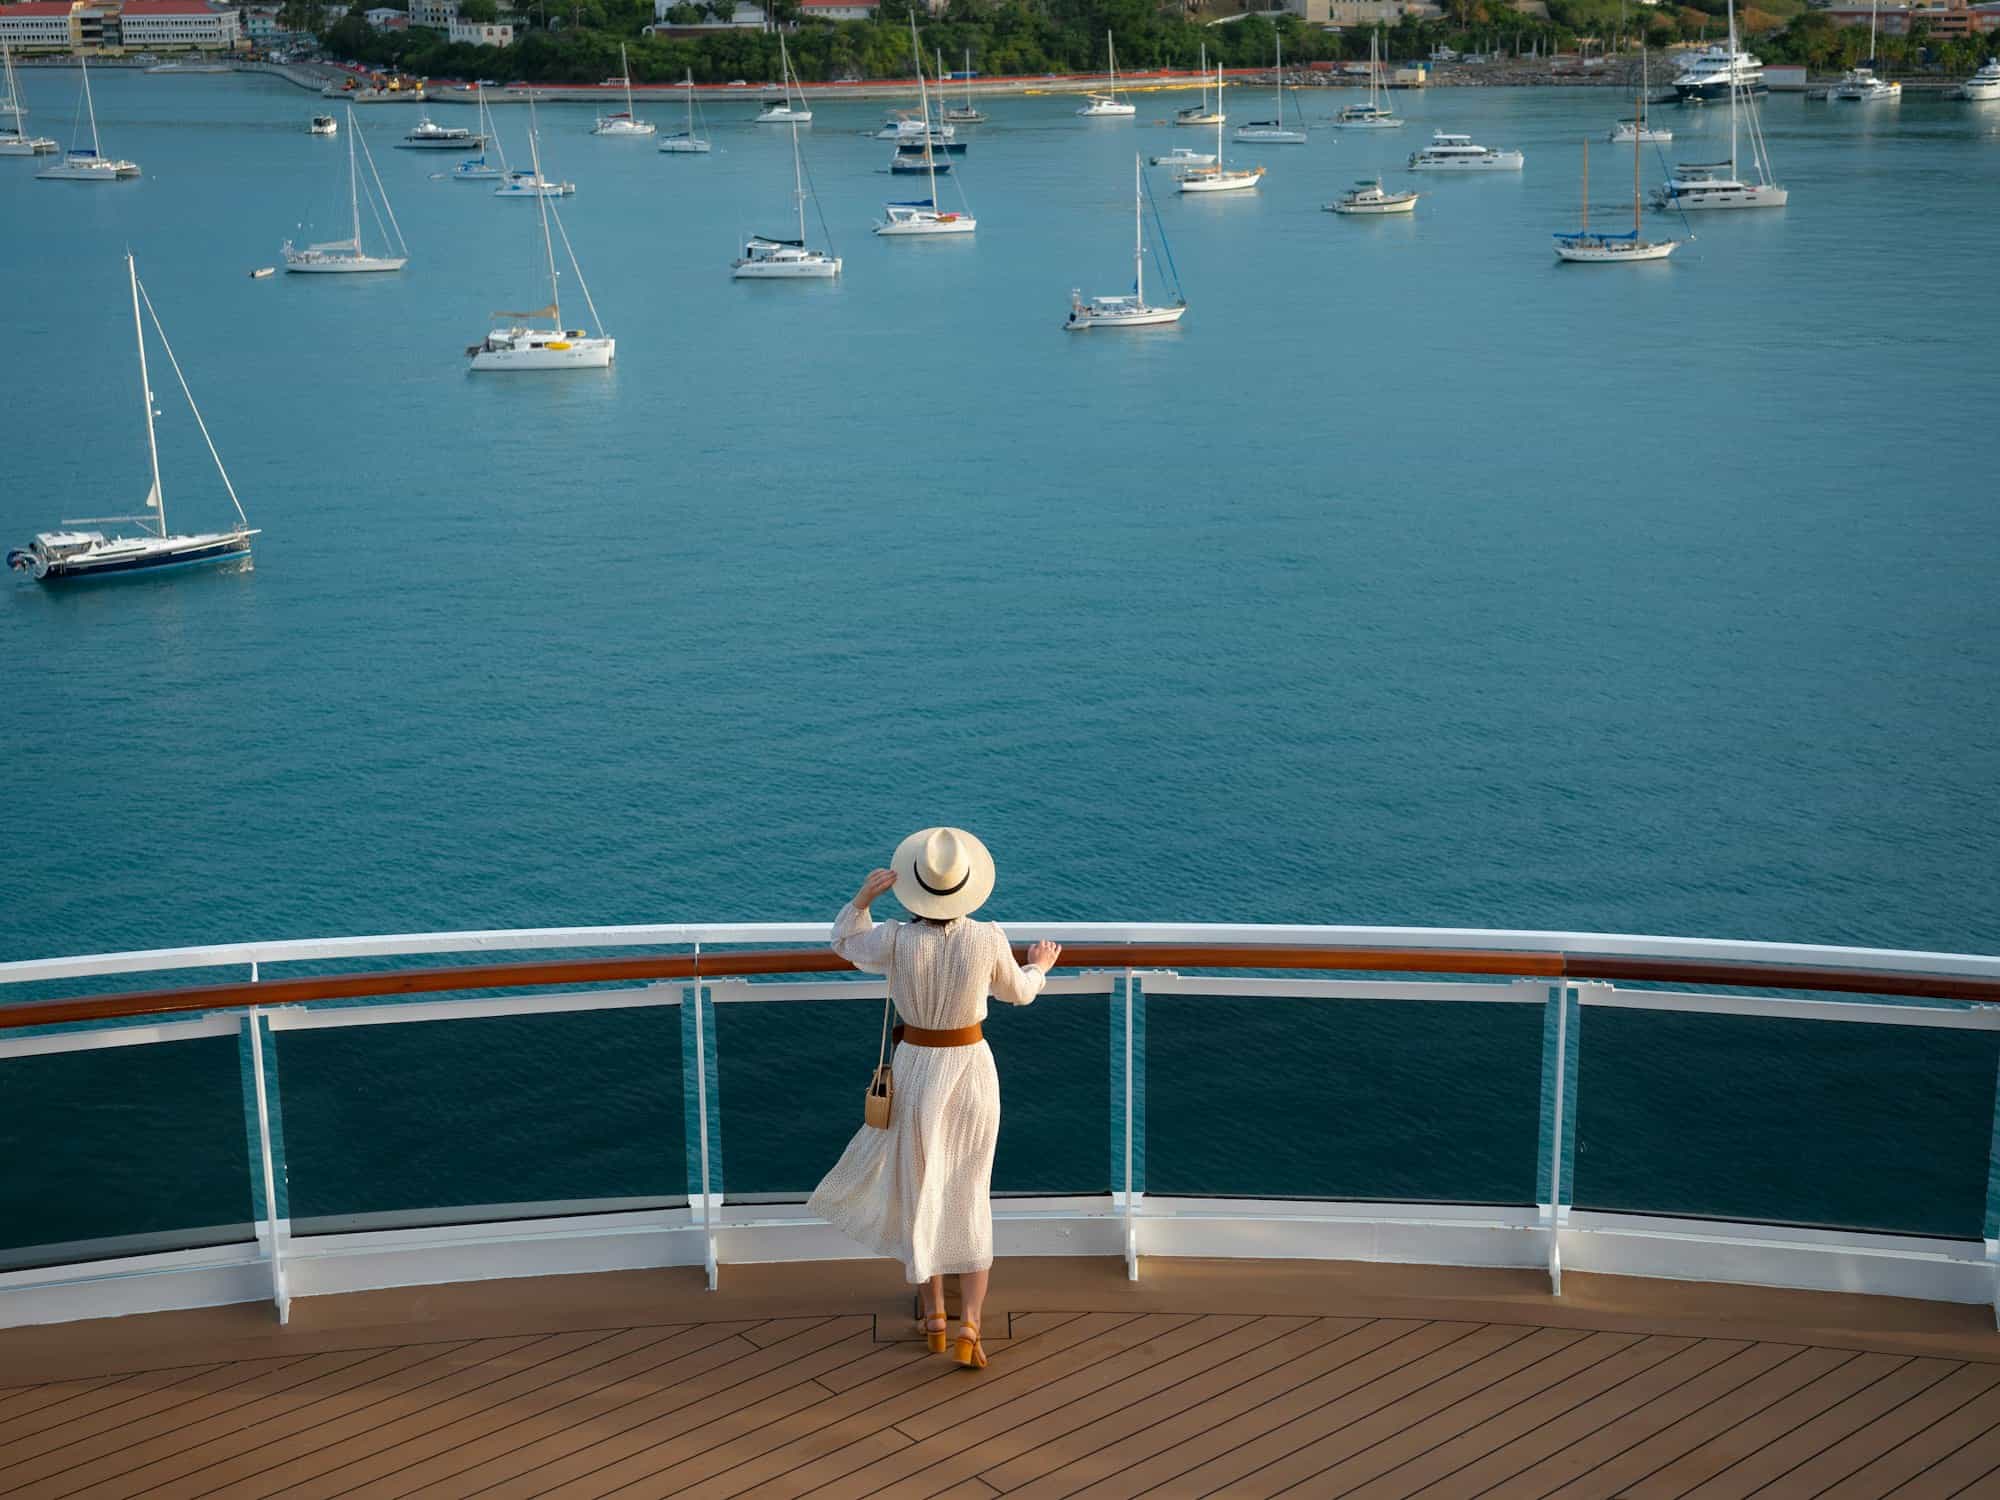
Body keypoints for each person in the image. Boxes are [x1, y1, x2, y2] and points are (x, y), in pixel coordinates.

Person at [808, 826, 1060, 1371]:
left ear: (915, 888)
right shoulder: (989, 938)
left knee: (918, 1189)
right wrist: (1039, 966)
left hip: (916, 1070)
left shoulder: (896, 939)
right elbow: (1018, 993)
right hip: (971, 1074)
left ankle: (936, 1319)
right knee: (969, 1192)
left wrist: (863, 898)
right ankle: (971, 1323)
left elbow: (844, 942)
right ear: (967, 887)